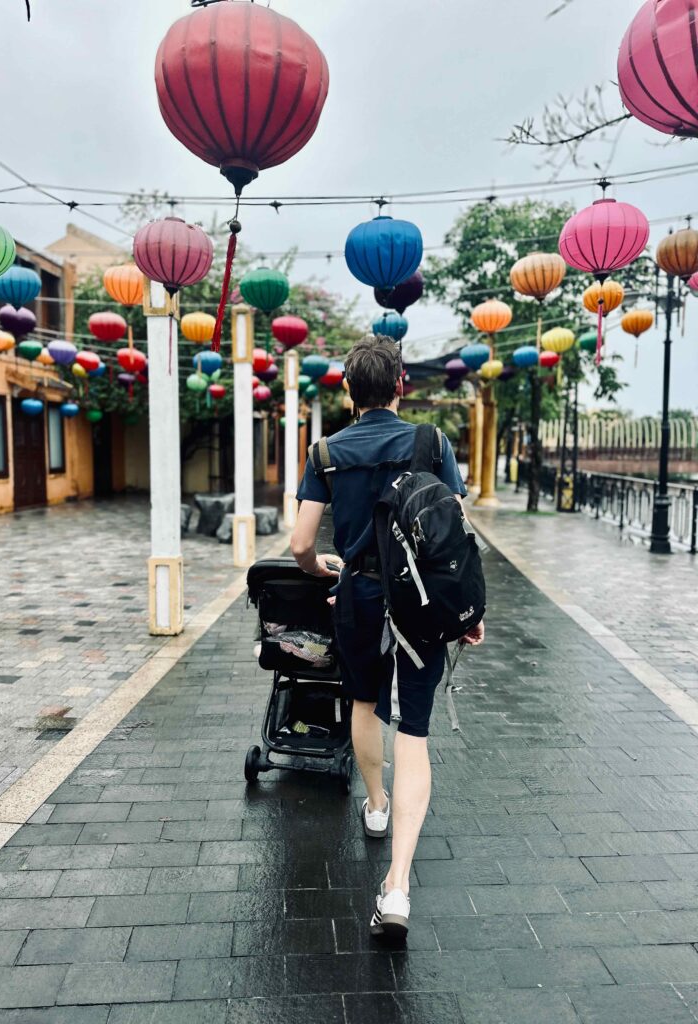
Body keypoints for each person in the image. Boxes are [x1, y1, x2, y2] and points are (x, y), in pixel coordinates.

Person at [291, 334, 484, 942]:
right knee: (416, 732)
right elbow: (454, 531)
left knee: (365, 703)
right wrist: (466, 610)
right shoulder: (432, 443)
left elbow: (300, 543)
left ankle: (374, 805)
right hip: (421, 603)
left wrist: (325, 568)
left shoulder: (325, 453)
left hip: (360, 596)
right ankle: (397, 885)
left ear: (348, 391)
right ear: (401, 385)